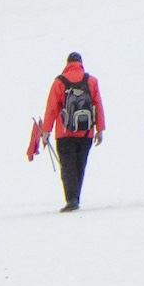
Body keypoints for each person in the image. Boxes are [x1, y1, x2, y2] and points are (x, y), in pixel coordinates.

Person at [37, 53, 106, 212]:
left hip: (64, 133)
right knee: (80, 165)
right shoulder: (91, 81)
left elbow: (52, 108)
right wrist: (100, 129)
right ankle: (76, 198)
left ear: (67, 63)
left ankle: (71, 199)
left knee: (67, 167)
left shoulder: (60, 81)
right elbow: (98, 106)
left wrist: (46, 131)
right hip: (86, 132)